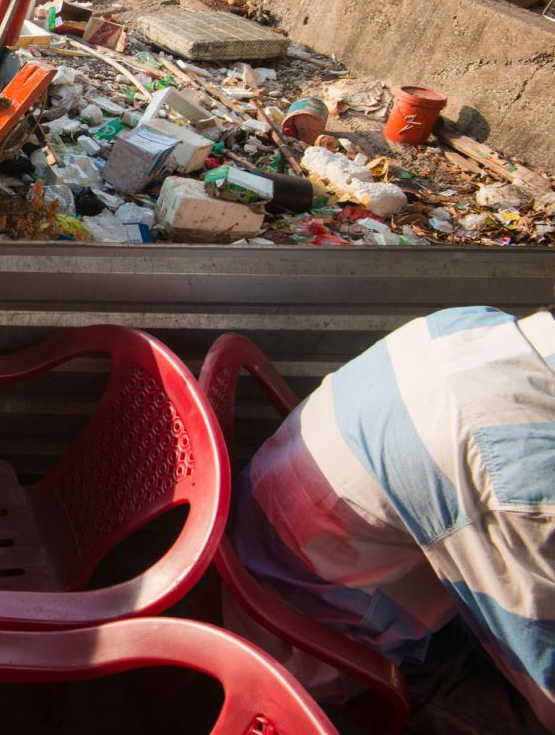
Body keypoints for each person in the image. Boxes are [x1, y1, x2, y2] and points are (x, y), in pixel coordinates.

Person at [231, 306, 555, 733]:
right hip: (320, 644)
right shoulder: (518, 482)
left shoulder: (475, 324)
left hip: (270, 563)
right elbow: (544, 676)